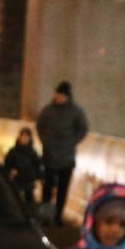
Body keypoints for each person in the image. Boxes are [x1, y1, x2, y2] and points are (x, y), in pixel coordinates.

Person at [35, 80, 89, 218]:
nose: (59, 98)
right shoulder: (48, 110)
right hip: (50, 154)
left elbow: (83, 129)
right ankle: (46, 216)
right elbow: (39, 125)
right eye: (57, 95)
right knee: (47, 187)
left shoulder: (76, 111)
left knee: (63, 188)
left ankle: (58, 215)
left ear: (67, 97)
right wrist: (45, 141)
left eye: (62, 96)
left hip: (67, 157)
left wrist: (72, 142)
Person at [4, 126, 43, 209]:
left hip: (28, 180)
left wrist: (40, 177)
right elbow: (7, 165)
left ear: (30, 138)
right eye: (23, 136)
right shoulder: (13, 151)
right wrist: (10, 171)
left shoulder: (33, 152)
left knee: (29, 200)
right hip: (17, 179)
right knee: (15, 199)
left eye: (27, 136)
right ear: (19, 137)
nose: (24, 138)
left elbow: (37, 166)